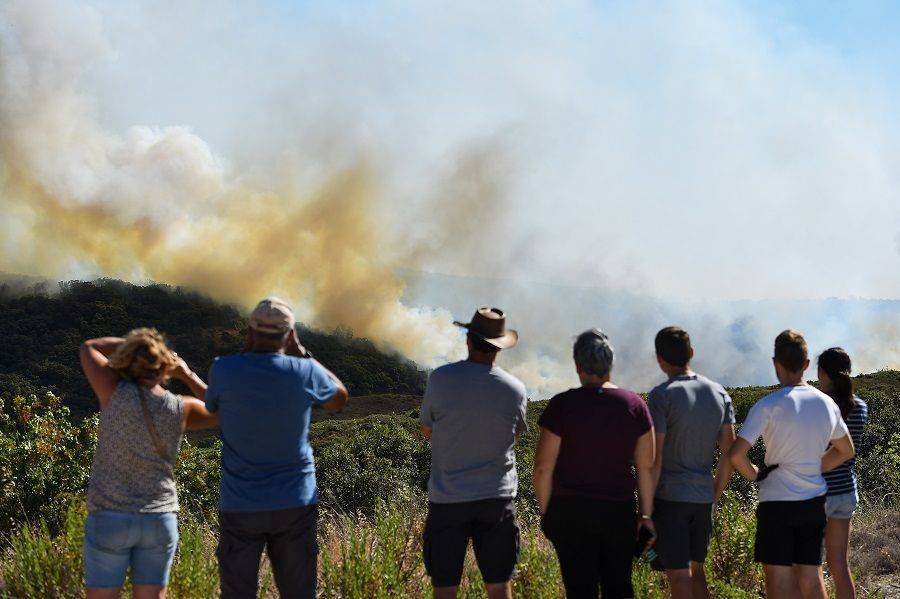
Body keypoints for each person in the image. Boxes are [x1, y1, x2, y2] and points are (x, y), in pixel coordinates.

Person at [205, 297, 349, 599]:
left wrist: (248, 349)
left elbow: (213, 406)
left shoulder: (223, 370)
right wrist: (304, 354)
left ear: (250, 331)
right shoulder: (304, 371)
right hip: (295, 501)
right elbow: (339, 398)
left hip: (240, 503)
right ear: (289, 335)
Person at [79, 328, 218, 599]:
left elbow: (89, 347)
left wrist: (136, 345)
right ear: (163, 365)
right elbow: (224, 408)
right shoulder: (181, 407)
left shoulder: (111, 391)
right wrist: (186, 374)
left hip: (110, 515)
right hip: (158, 517)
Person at [729, 330, 855, 599]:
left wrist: (755, 475)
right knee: (811, 578)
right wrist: (814, 466)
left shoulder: (767, 405)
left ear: (775, 363)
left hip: (775, 504)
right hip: (812, 501)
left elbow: (735, 455)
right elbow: (846, 450)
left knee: (779, 581)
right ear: (807, 365)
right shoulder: (826, 404)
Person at [534, 329, 656, 599]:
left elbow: (543, 467)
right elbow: (646, 466)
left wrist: (546, 513)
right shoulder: (635, 405)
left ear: (578, 365)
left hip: (570, 512)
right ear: (610, 365)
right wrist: (646, 516)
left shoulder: (562, 405)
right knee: (619, 587)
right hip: (618, 512)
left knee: (580, 590)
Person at [419, 307, 527, 599]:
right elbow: (515, 434)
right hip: (496, 498)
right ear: (499, 347)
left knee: (444, 586)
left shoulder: (440, 379)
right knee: (499, 584)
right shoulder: (514, 389)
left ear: (468, 339)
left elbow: (426, 429)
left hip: (448, 498)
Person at [648, 327, 737, 599]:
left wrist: (646, 509)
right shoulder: (719, 393)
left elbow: (656, 455)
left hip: (670, 498)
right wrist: (716, 492)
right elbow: (730, 452)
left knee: (678, 575)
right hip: (702, 498)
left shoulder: (661, 396)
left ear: (659, 358)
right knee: (697, 573)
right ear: (692, 353)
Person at [818, 347, 868, 599]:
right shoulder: (860, 406)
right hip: (845, 491)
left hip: (817, 492)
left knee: (810, 567)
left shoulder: (820, 405)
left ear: (822, 372)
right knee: (840, 565)